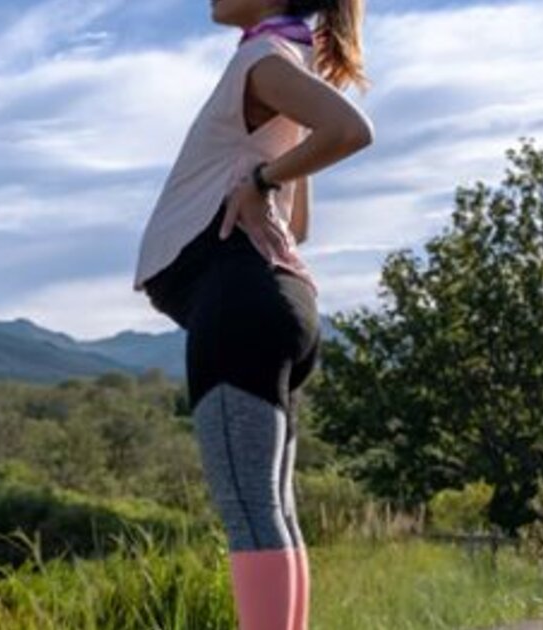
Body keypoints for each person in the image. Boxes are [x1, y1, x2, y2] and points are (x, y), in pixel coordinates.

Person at [131, 0, 373, 628]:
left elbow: (351, 131)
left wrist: (263, 176)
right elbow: (299, 224)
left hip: (241, 302)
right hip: (280, 301)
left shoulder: (264, 60)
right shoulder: (281, 61)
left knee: (248, 508)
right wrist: (268, 177)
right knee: (272, 508)